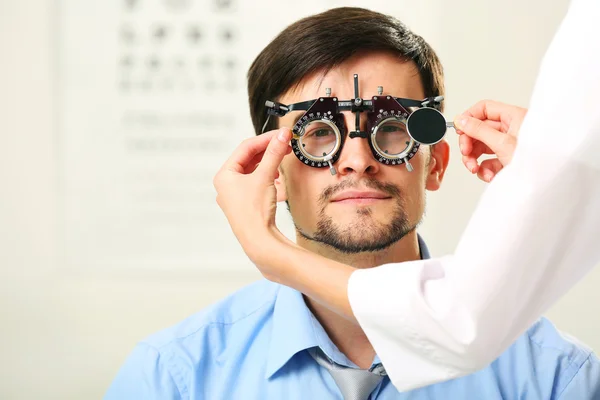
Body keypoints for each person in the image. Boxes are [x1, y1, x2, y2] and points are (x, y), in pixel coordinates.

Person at [105, 5, 600, 400]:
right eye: (318, 134)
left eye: (391, 130)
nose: (357, 160)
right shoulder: (174, 378)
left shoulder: (556, 378)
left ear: (438, 163)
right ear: (270, 169)